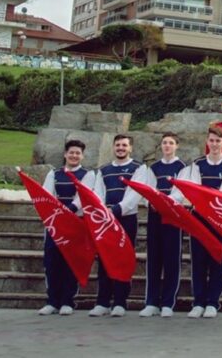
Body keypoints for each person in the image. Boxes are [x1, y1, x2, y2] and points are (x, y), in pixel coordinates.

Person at [172, 126, 222, 319]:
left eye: (218, 141)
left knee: (217, 260)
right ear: (207, 142)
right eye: (212, 140)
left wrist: (214, 208)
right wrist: (202, 206)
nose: (215, 144)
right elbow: (194, 189)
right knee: (198, 261)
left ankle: (212, 302)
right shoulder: (198, 163)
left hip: (219, 218)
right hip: (199, 217)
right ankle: (198, 302)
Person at [86, 133, 145, 317]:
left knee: (123, 259)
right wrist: (104, 212)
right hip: (105, 221)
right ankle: (102, 302)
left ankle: (120, 302)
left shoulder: (138, 168)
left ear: (131, 148)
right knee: (103, 259)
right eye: (118, 145)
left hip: (126, 219)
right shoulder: (103, 170)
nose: (121, 148)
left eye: (124, 145)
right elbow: (97, 194)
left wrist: (116, 210)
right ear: (113, 147)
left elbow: (134, 194)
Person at [38, 139, 87, 316]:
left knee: (71, 262)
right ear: (65, 154)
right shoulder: (54, 174)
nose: (74, 156)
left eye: (78, 153)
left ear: (82, 156)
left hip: (76, 223)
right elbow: (46, 194)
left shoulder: (87, 175)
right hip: (55, 224)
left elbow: (83, 196)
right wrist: (57, 213)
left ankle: (68, 301)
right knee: (52, 261)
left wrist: (70, 210)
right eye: (71, 152)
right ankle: (52, 301)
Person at [139, 132, 185, 318]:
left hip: (173, 216)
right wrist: (152, 201)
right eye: (164, 143)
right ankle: (151, 302)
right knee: (154, 258)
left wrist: (164, 202)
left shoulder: (182, 167)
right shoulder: (154, 167)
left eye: (171, 143)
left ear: (177, 146)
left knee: (171, 259)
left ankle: (168, 302)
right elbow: (147, 189)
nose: (167, 146)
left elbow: (180, 192)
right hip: (155, 215)